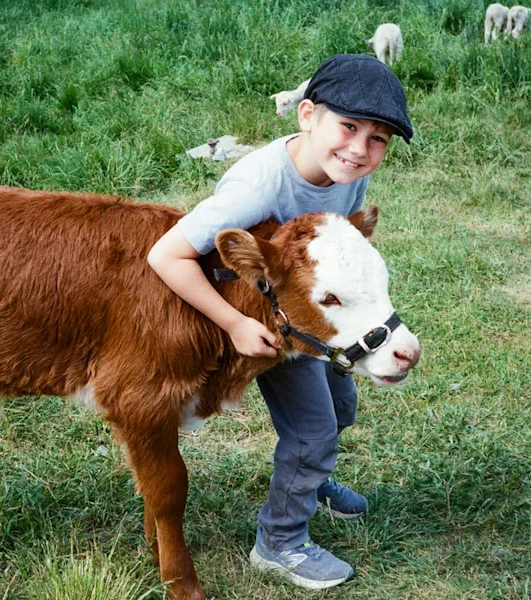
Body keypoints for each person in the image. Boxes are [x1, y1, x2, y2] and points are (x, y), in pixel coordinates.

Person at [147, 54, 413, 589]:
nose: (360, 149)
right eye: (349, 126)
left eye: (379, 138)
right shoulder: (258, 187)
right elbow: (165, 256)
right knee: (312, 430)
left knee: (340, 406)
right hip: (262, 317)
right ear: (307, 115)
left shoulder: (347, 175)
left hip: (310, 311)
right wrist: (233, 325)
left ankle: (312, 481)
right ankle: (281, 541)